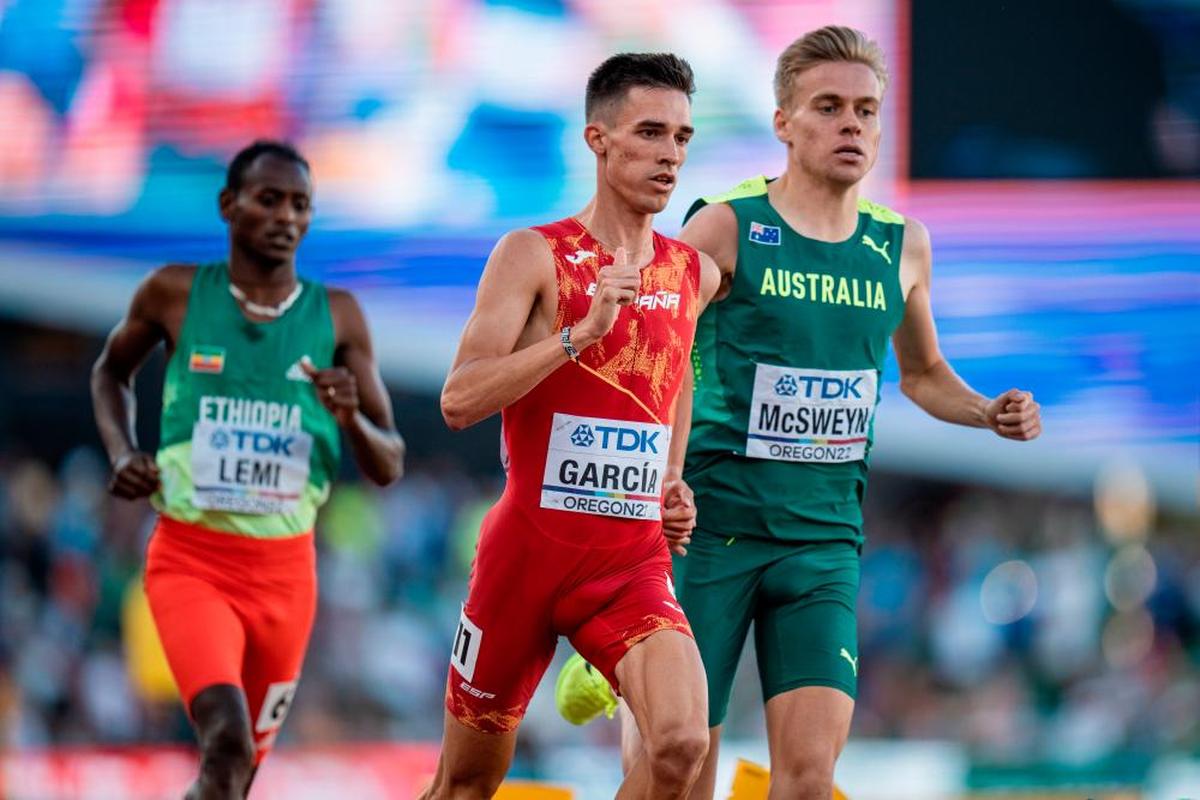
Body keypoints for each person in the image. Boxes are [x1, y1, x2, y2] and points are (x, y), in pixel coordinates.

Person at [555, 26, 1043, 800]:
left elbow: (921, 375)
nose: (852, 125)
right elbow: (655, 353)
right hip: (710, 531)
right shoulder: (726, 227)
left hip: (821, 540)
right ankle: (615, 648)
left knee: (810, 780)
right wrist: (650, 487)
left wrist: (988, 412)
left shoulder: (900, 245)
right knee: (676, 773)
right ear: (783, 122)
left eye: (866, 111)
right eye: (829, 107)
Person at [422, 53, 721, 800]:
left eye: (682, 137)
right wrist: (577, 335)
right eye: (650, 133)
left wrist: (671, 478)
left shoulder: (694, 273)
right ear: (598, 139)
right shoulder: (534, 255)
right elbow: (458, 400)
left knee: (682, 746)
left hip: (628, 565)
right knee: (464, 785)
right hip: (524, 560)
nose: (670, 154)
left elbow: (676, 371)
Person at [91, 140, 405, 800]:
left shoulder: (339, 314)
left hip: (287, 578)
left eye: (300, 205)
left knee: (237, 776)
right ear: (228, 205)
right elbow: (110, 372)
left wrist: (350, 418)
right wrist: (122, 451)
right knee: (226, 741)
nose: (285, 216)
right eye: (268, 200)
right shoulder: (174, 293)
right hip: (193, 561)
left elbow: (389, 463)